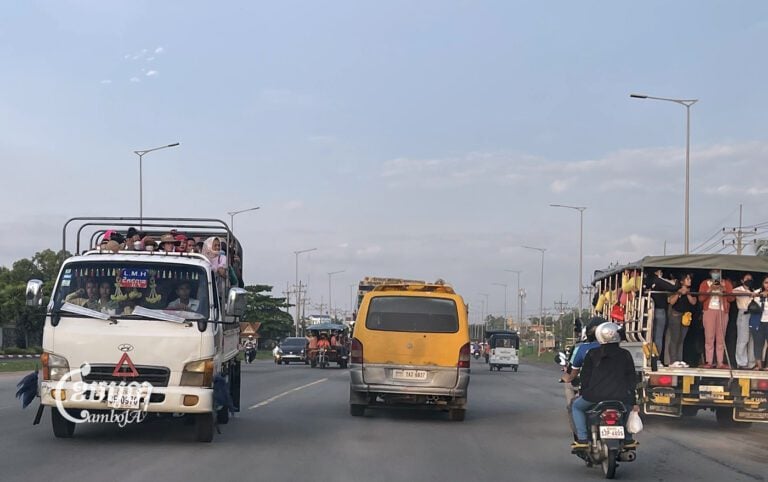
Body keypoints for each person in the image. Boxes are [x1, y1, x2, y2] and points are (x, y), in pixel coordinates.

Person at [571, 322, 638, 448]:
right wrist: (633, 400)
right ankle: (628, 439)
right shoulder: (625, 354)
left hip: (594, 396)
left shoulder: (592, 353)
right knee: (628, 408)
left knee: (576, 407)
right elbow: (631, 379)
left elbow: (585, 377)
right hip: (621, 396)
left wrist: (583, 392)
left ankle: (582, 439)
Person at [699, 269, 735, 369]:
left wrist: (724, 290)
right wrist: (710, 289)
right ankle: (709, 361)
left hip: (722, 311)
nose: (716, 274)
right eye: (714, 271)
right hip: (709, 310)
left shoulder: (726, 283)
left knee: (721, 338)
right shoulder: (705, 283)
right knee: (709, 337)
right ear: (710, 273)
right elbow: (701, 298)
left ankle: (720, 362)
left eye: (718, 271)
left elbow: (732, 299)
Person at [645, 269, 677, 364]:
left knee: (648, 336)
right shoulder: (658, 280)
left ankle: (647, 357)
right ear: (657, 272)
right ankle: (656, 359)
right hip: (659, 310)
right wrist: (675, 282)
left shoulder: (645, 281)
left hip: (647, 310)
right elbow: (673, 287)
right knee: (658, 336)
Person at [666, 273, 697, 365]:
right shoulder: (675, 289)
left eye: (690, 279)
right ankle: (673, 360)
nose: (690, 281)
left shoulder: (692, 290)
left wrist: (687, 293)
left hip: (686, 316)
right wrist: (679, 292)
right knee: (675, 338)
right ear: (682, 281)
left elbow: (693, 302)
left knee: (681, 339)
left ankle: (679, 360)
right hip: (675, 315)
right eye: (687, 279)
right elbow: (671, 302)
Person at [733, 273, 756, 369]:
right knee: (743, 339)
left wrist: (752, 293)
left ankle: (751, 363)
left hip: (754, 314)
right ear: (742, 280)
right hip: (744, 313)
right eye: (747, 278)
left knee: (752, 339)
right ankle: (741, 363)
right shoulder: (738, 289)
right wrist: (749, 294)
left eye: (751, 278)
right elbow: (733, 293)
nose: (749, 280)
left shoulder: (753, 290)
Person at [750, 276, 768, 370]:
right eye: (766, 282)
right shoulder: (757, 291)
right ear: (762, 283)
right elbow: (751, 298)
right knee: (758, 344)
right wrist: (759, 295)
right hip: (758, 321)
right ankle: (759, 365)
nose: (767, 285)